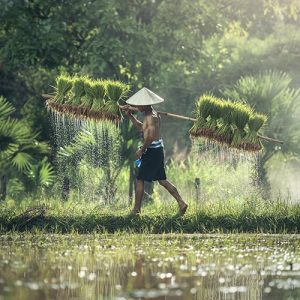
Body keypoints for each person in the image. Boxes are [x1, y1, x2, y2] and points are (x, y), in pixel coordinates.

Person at [120, 87, 188, 216]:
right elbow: (143, 128)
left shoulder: (151, 117)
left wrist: (142, 150)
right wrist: (130, 116)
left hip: (152, 150)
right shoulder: (151, 114)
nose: (138, 106)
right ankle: (182, 203)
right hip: (157, 149)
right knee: (162, 180)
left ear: (145, 104)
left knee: (139, 179)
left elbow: (150, 137)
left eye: (140, 104)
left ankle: (136, 210)